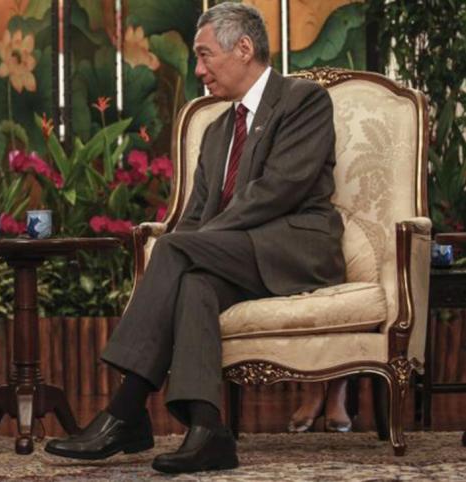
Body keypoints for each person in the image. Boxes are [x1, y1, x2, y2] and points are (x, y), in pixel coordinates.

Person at [45, 3, 345, 474]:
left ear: (244, 48)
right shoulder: (217, 130)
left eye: (205, 56)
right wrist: (191, 241)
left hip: (295, 249)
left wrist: (190, 242)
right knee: (194, 284)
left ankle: (126, 410)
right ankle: (209, 432)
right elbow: (193, 217)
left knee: (176, 248)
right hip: (232, 255)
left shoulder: (302, 100)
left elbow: (279, 191)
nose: (199, 70)